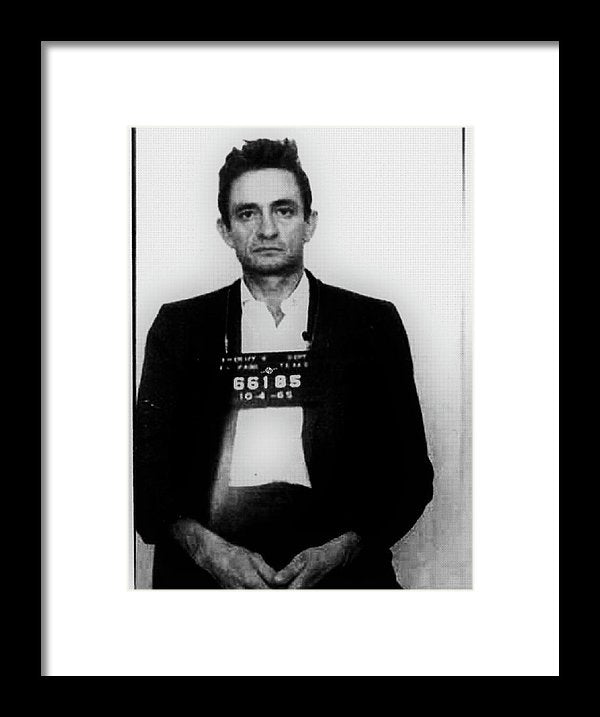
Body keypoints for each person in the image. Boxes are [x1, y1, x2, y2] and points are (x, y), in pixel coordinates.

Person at [134, 138, 434, 589]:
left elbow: (411, 476)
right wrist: (208, 552)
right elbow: (146, 478)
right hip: (206, 569)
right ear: (225, 230)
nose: (267, 229)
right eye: (247, 213)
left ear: (310, 223)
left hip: (341, 567)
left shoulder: (371, 323)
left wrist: (342, 551)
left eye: (284, 210)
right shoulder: (180, 327)